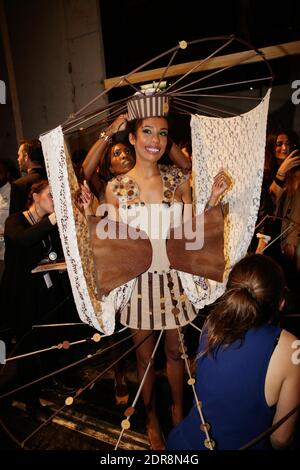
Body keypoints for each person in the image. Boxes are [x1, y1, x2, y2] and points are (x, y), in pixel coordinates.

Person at [104, 95, 230, 449]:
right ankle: (151, 420)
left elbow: (193, 232)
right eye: (146, 131)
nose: (154, 140)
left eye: (162, 133)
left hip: (174, 281)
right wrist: (90, 218)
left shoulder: (178, 180)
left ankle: (177, 412)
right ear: (131, 137)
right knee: (145, 359)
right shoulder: (116, 188)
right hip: (138, 284)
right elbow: (114, 247)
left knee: (177, 354)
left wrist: (213, 201)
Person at [166, 253, 300, 450]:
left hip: (183, 445)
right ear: (281, 302)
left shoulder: (212, 322)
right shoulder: (291, 348)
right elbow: (280, 439)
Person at [0, 180, 65, 418]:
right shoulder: (15, 220)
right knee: (27, 349)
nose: (55, 201)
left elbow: (53, 252)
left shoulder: (48, 224)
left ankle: (47, 381)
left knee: (49, 340)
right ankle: (31, 401)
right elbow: (23, 240)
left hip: (44, 292)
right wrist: (53, 219)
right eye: (50, 196)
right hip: (21, 295)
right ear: (36, 196)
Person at [9, 139, 47, 214]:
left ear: (26, 156)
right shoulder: (52, 177)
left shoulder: (19, 185)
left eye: (19, 155)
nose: (18, 159)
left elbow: (15, 219)